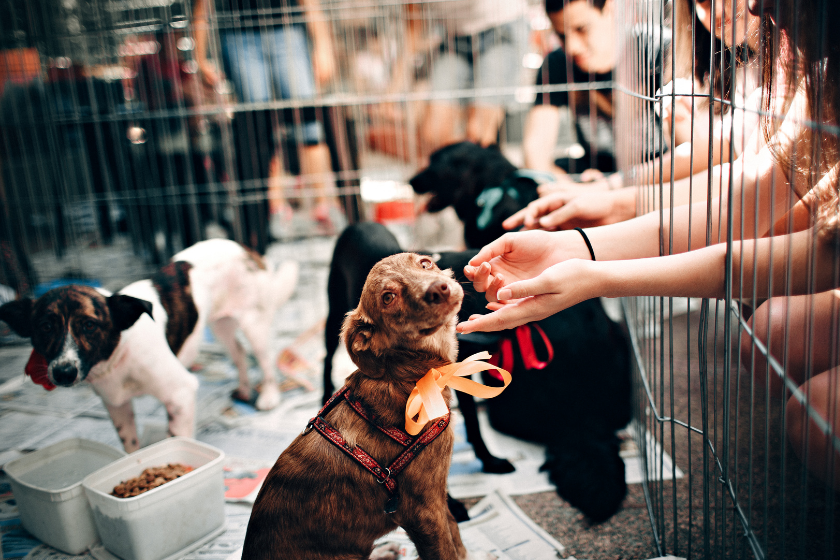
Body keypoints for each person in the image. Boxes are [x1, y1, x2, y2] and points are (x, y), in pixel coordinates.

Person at [457, 0, 840, 486]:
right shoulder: (812, 72)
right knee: (777, 337)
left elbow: (734, 175)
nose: (753, 6)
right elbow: (735, 200)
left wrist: (599, 267)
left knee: (815, 414)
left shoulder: (689, 56)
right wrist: (578, 247)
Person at [514, 0, 763, 231]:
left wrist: (608, 191)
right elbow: (535, 152)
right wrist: (575, 188)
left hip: (660, 184)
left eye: (581, 29)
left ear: (610, 9)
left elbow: (702, 153)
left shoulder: (665, 52)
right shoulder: (557, 64)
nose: (572, 46)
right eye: (561, 35)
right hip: (601, 179)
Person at [192, 0, 344, 250]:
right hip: (238, 33)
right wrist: (200, 56)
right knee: (258, 129)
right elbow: (202, 5)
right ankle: (276, 210)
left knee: (307, 124)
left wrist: (323, 45)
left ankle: (324, 205)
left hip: (287, 28)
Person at [419, 0, 529, 155]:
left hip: (501, 26)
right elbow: (412, 27)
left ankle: (478, 172)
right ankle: (459, 170)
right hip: (454, 34)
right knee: (433, 133)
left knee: (479, 134)